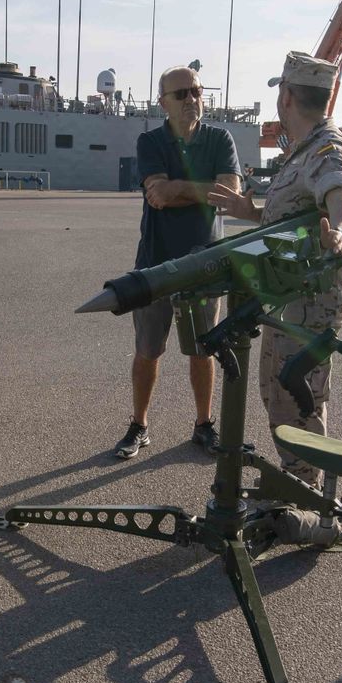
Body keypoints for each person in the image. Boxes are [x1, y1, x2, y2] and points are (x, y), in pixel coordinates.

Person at [207, 52, 342, 489]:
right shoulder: (303, 152)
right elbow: (298, 217)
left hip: (309, 307)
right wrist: (251, 212)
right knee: (278, 397)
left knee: (298, 400)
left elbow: (340, 198)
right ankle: (298, 485)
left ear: (286, 96)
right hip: (287, 300)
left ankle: (308, 498)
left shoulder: (327, 149)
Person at [112, 64, 242, 459]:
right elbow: (157, 196)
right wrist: (201, 190)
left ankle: (203, 425)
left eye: (197, 92)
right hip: (155, 263)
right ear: (162, 102)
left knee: (203, 351)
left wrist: (178, 188)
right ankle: (139, 425)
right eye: (181, 94)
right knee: (148, 350)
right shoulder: (149, 141)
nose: (192, 100)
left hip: (204, 265)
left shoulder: (220, 138)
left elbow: (230, 194)